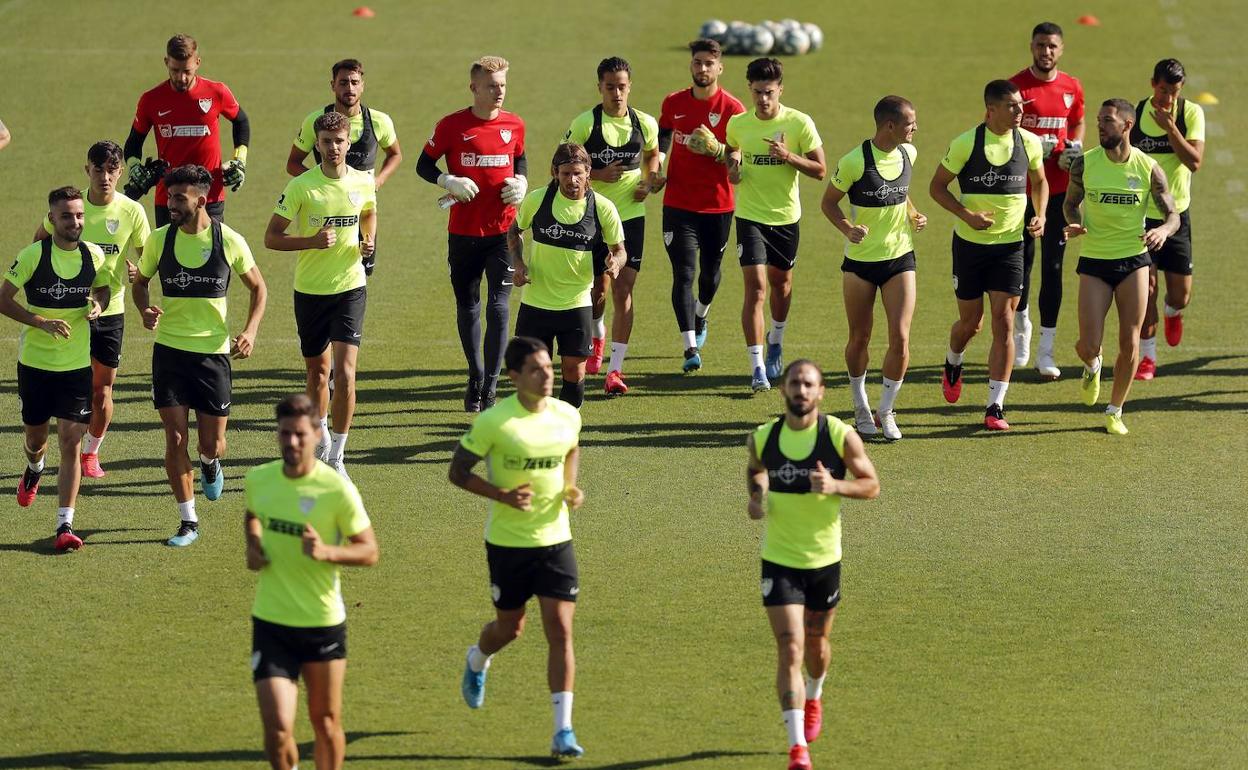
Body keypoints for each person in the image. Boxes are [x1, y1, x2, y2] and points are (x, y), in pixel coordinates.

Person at [449, 336, 587, 759]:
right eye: (536, 370)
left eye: (548, 367)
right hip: (508, 543)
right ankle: (477, 659)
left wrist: (569, 487)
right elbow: (457, 472)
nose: (547, 375)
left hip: (555, 540)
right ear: (514, 377)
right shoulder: (495, 422)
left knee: (560, 631)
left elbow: (571, 448)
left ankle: (563, 730)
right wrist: (502, 495)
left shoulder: (567, 414)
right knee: (510, 628)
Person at [745, 359, 879, 770]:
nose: (801, 391)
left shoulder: (839, 436)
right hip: (780, 561)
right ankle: (797, 746)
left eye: (809, 385)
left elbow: (871, 485)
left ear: (820, 393)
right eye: (795, 384)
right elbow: (756, 471)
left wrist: (835, 485)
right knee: (790, 648)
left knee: (817, 646)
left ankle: (815, 693)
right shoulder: (764, 437)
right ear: (784, 390)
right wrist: (755, 495)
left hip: (824, 560)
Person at [133, 164, 267, 546]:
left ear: (202, 200)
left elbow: (259, 288)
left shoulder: (229, 241)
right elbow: (140, 284)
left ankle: (210, 464)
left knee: (211, 444)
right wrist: (144, 309)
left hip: (212, 356)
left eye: (179, 198)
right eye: (169, 196)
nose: (170, 203)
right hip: (170, 353)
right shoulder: (160, 241)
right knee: (175, 438)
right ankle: (188, 521)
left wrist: (250, 331)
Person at [246, 393, 379, 770]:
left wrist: (326, 553)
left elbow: (369, 551)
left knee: (325, 722)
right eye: (285, 434)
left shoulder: (336, 490)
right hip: (271, 622)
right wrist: (253, 545)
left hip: (322, 624)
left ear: (317, 434)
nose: (292, 442)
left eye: (300, 434)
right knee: (277, 730)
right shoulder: (260, 480)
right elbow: (253, 515)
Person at [929, 80, 1048, 431]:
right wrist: (966, 216)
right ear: (991, 110)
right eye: (1012, 106)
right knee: (971, 324)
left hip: (1011, 248)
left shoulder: (1030, 142)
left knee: (1004, 321)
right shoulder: (967, 143)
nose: (1020, 112)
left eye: (1021, 106)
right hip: (969, 247)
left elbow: (1039, 182)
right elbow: (937, 186)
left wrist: (1039, 214)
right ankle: (953, 361)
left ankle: (995, 406)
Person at [266, 112, 377, 478]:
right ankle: (323, 429)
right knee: (318, 373)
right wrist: (310, 241)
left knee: (345, 373)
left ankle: (337, 457)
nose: (333, 148)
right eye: (326, 141)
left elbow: (369, 212)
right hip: (311, 291)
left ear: (349, 143)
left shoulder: (363, 181)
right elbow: (272, 237)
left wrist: (367, 240)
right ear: (317, 144)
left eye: (339, 141)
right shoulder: (302, 187)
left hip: (350, 287)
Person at [0, 187, 110, 551]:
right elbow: (3, 299)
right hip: (35, 366)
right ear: (52, 218)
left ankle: (65, 525)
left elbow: (104, 288)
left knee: (70, 441)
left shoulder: (93, 254)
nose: (75, 222)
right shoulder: (33, 255)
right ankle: (34, 469)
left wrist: (97, 303)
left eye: (79, 215)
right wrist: (40, 321)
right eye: (67, 216)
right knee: (36, 441)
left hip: (76, 366)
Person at [34, 141, 151, 478]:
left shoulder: (131, 211)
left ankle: (90, 451)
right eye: (98, 169)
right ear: (87, 169)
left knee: (102, 392)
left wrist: (138, 271)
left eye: (112, 169)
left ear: (120, 172)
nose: (105, 176)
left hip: (110, 310)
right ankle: (48, 453)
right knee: (66, 386)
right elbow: (39, 241)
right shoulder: (72, 206)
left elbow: (148, 256)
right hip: (67, 312)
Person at [417, 55, 527, 411]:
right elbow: (423, 164)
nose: (499, 92)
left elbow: (520, 158)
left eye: (503, 85)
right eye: (492, 85)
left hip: (503, 234)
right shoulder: (451, 125)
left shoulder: (515, 124)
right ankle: (475, 375)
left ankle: (492, 386)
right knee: (468, 306)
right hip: (463, 234)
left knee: (499, 307)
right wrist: (447, 179)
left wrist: (522, 181)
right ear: (474, 87)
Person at [1063, 99, 1179, 435]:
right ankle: (1092, 364)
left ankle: (1115, 410)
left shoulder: (1148, 168)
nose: (1100, 126)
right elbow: (1070, 205)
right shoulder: (1085, 164)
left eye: (1108, 121)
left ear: (1127, 125)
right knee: (1088, 343)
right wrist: (1073, 223)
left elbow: (1173, 216)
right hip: (1096, 261)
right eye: (1099, 120)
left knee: (1130, 341)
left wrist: (1161, 230)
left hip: (1133, 261)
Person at [821, 96, 926, 440]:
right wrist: (847, 229)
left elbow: (901, 193)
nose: (916, 128)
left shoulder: (908, 154)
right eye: (911, 122)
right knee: (860, 337)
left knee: (901, 337)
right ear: (890, 126)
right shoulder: (854, 161)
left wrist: (913, 214)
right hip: (861, 264)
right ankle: (860, 405)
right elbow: (828, 203)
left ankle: (887, 409)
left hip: (900, 258)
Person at [725, 57, 826, 392]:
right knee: (756, 288)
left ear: (780, 89)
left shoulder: (799, 123)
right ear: (750, 91)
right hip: (750, 216)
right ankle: (757, 368)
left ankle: (776, 340)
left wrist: (788, 157)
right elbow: (732, 160)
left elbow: (820, 170)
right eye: (757, 92)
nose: (763, 99)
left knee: (781, 285)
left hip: (785, 217)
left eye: (769, 92)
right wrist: (734, 169)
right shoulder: (738, 124)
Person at [562, 57, 659, 395]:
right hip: (594, 217)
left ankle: (615, 371)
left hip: (631, 217)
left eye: (622, 86)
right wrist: (597, 175)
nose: (617, 93)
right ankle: (597, 332)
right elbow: (559, 166)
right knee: (597, 293)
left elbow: (652, 156)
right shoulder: (585, 124)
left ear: (630, 86)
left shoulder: (645, 123)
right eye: (610, 87)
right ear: (599, 87)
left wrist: (649, 182)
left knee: (624, 290)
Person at [507, 143, 625, 409]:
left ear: (588, 174)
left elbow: (620, 250)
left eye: (577, 174)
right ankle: (538, 429)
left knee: (574, 373)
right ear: (554, 173)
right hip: (536, 303)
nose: (572, 180)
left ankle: (565, 430)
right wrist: (518, 264)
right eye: (565, 174)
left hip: (576, 304)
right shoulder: (537, 200)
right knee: (533, 375)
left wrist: (616, 263)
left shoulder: (602, 208)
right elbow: (514, 231)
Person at [654, 38, 746, 372]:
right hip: (677, 204)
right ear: (690, 65)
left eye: (709, 63)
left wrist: (720, 152)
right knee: (684, 274)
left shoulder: (734, 110)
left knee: (710, 275)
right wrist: (657, 166)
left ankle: (701, 314)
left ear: (720, 67)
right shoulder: (673, 102)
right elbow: (663, 134)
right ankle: (690, 348)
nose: (702, 68)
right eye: (697, 62)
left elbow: (739, 161)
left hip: (718, 206)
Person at [1010, 21, 1085, 377]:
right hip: (1021, 192)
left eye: (1052, 46)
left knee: (1053, 267)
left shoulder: (1072, 87)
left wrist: (1073, 148)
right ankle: (1021, 332)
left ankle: (1046, 349)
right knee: (1021, 265)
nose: (1046, 52)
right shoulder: (1016, 87)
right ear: (1031, 46)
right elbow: (996, 130)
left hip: (1059, 193)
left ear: (1061, 48)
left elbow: (1077, 124)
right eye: (1041, 45)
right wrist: (1027, 147)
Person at [287, 58, 402, 277]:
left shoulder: (379, 121)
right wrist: (317, 183)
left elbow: (395, 154)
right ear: (332, 85)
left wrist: (378, 181)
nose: (349, 88)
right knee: (324, 267)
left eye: (354, 82)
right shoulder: (315, 121)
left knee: (360, 272)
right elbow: (292, 163)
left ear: (362, 85)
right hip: (325, 209)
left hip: (363, 211)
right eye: (342, 83)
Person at [125, 34, 250, 227]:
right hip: (169, 198)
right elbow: (134, 142)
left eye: (187, 71)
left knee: (212, 256)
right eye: (174, 70)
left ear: (198, 62)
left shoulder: (216, 92)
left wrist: (239, 160)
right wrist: (134, 166)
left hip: (210, 196)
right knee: (169, 256)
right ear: (166, 62)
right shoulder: (151, 100)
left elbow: (241, 121)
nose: (181, 78)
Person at [1131, 58, 1205, 380]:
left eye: (1173, 92)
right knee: (1145, 288)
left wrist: (1170, 128)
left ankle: (1173, 313)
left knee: (1180, 295)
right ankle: (1148, 357)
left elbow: (1194, 162)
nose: (1167, 99)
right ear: (1152, 85)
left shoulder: (1190, 114)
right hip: (1141, 217)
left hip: (1175, 217)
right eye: (1162, 91)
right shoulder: (1135, 114)